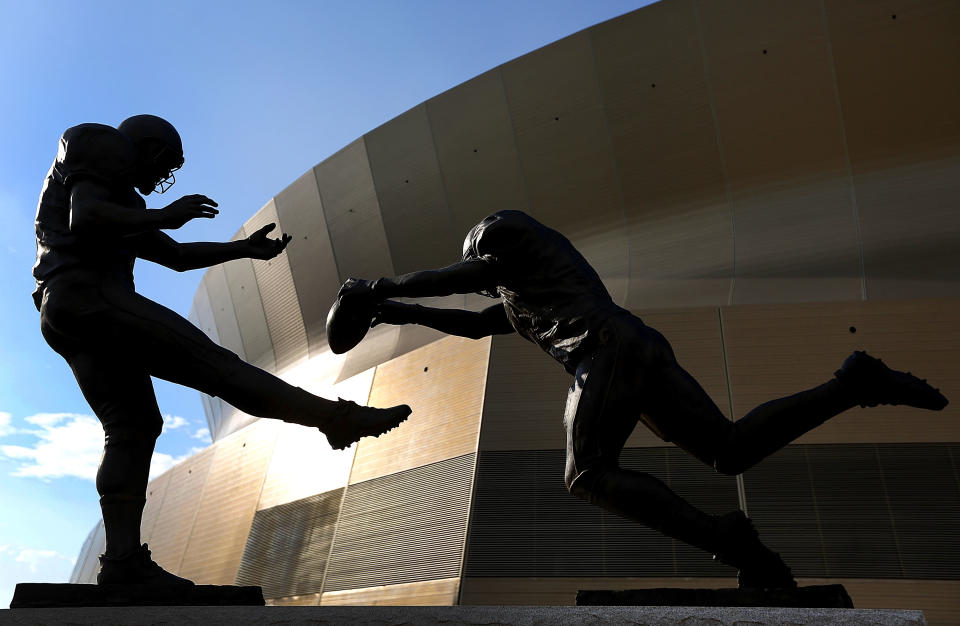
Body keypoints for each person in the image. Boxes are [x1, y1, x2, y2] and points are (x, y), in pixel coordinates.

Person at [336, 209, 948, 588]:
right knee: (729, 449)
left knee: (587, 474)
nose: (483, 264)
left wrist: (375, 286)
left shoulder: (521, 248)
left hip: (607, 349)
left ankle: (729, 539)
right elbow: (471, 323)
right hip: (635, 347)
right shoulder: (525, 302)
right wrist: (390, 310)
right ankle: (853, 385)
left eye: (486, 256)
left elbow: (461, 280)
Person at [33, 115, 410, 586]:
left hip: (64, 310)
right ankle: (335, 419)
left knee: (133, 426)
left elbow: (174, 256)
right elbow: (85, 218)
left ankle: (122, 561)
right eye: (164, 162)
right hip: (88, 295)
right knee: (214, 367)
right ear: (144, 147)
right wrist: (166, 214)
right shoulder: (103, 144)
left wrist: (242, 251)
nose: (162, 176)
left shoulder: (121, 200)